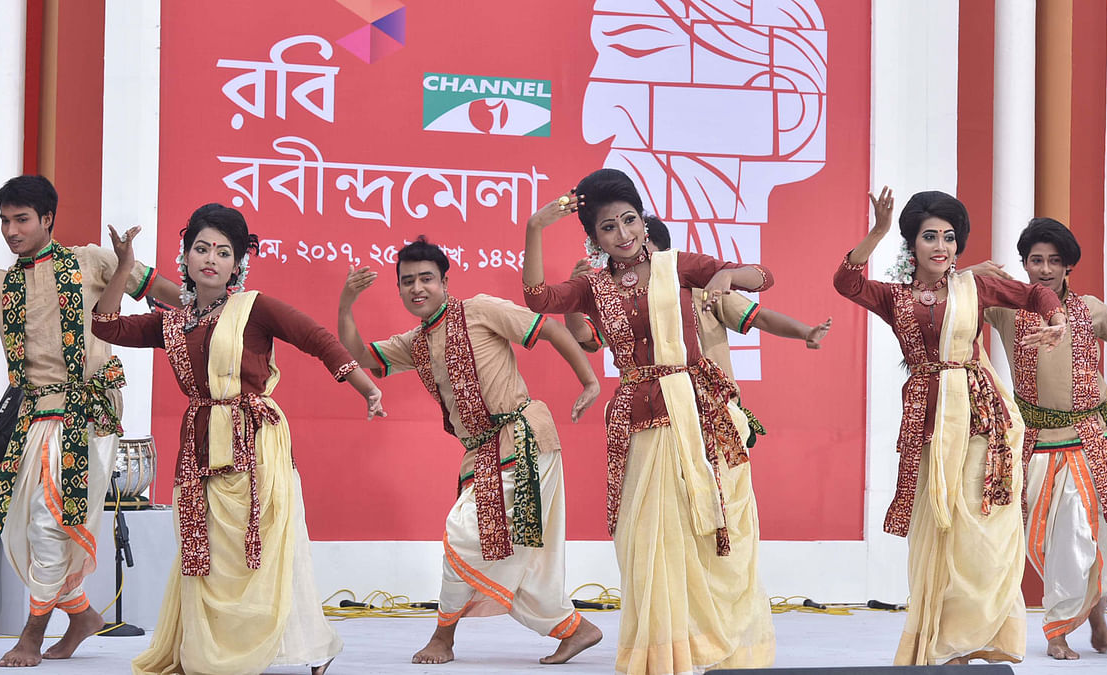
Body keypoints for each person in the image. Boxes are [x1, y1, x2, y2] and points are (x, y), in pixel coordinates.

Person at [91, 203, 383, 675]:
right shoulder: (172, 322)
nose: (211, 258)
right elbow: (105, 326)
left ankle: (305, 645)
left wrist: (365, 387)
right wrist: (125, 264)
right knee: (203, 547)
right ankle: (208, 650)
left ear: (236, 263)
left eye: (223, 252)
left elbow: (315, 337)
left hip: (255, 439)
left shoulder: (254, 308)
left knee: (261, 547)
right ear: (184, 257)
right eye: (201, 248)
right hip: (201, 441)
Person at [522, 168, 776, 675]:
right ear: (594, 237)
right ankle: (662, 652)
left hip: (693, 410)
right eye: (608, 228)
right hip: (639, 415)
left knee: (696, 530)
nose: (623, 234)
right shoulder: (592, 286)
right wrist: (535, 227)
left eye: (630, 220)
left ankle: (706, 640)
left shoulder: (676, 265)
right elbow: (537, 300)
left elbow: (764, 276)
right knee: (642, 538)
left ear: (643, 219)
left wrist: (727, 275)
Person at [337, 236, 604, 666]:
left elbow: (550, 328)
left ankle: (443, 638)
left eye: (426, 278)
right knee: (515, 558)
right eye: (407, 281)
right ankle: (576, 629)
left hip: (524, 441)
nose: (417, 288)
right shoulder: (415, 342)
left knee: (464, 537)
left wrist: (590, 381)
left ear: (445, 281)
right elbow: (358, 355)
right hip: (481, 455)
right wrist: (346, 305)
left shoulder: (479, 310)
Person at [834, 187, 1067, 665]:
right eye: (929, 237)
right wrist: (878, 230)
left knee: (983, 527)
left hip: (982, 419)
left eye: (949, 237)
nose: (942, 246)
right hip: (930, 423)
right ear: (912, 245)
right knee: (940, 530)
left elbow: (1036, 293)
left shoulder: (976, 288)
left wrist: (1058, 320)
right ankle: (945, 643)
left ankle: (983, 636)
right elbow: (846, 281)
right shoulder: (894, 297)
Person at [0, 175, 182, 668]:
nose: (10, 230)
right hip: (32, 419)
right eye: (4, 220)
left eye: (21, 220)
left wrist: (228, 313)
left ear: (48, 219)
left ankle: (32, 634)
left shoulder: (92, 260)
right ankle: (84, 615)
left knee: (50, 523)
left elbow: (169, 294)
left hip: (85, 415)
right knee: (25, 529)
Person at [980, 218, 1107, 660]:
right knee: (1050, 540)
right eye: (1036, 260)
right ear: (1025, 265)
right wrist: (972, 270)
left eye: (1053, 261)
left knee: (1082, 535)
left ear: (1068, 267)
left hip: (1090, 439)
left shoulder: (1089, 309)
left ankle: (1058, 631)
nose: (1044, 269)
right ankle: (1089, 609)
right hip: (1036, 444)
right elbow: (951, 297)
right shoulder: (1007, 307)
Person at [565, 215, 831, 446]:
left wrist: (805, 332)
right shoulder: (623, 301)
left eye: (645, 256)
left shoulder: (700, 288)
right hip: (655, 418)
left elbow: (759, 317)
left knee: (718, 501)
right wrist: (574, 297)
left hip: (712, 412)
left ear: (668, 255)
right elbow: (584, 336)